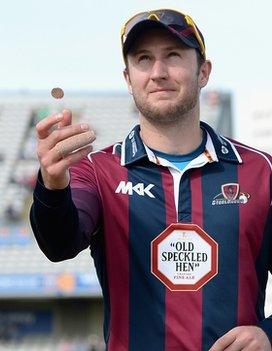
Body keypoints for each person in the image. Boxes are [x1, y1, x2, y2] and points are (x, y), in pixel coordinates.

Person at [30, 9, 272, 351]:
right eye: (144, 59)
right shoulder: (97, 171)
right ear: (128, 78)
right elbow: (59, 244)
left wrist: (269, 334)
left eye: (172, 55)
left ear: (203, 71)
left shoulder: (261, 171)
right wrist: (52, 185)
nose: (158, 73)